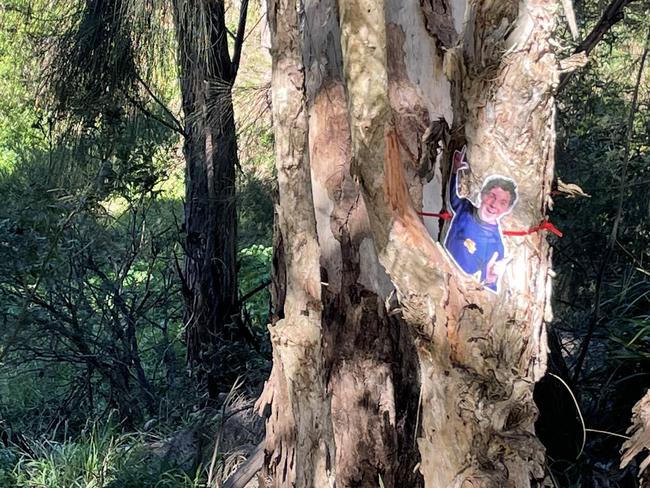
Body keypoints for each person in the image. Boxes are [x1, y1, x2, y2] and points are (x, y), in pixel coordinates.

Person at [444, 147, 518, 292]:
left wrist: (490, 280)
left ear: (507, 209)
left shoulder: (496, 245)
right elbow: (453, 198)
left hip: (455, 288)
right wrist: (455, 171)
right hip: (437, 263)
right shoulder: (465, 208)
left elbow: (489, 288)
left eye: (502, 203)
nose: (494, 204)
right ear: (483, 194)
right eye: (492, 196)